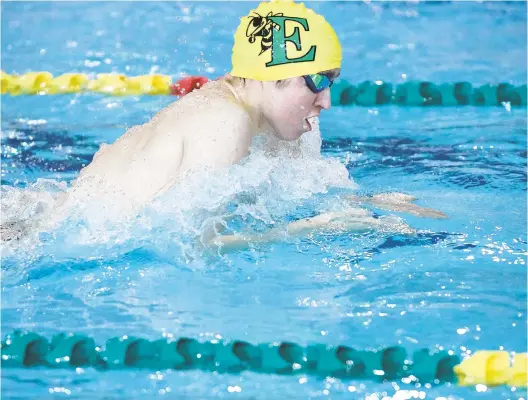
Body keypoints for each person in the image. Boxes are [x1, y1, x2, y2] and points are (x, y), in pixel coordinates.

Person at [1, 0, 446, 245]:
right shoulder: (225, 124)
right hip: (38, 237)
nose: (326, 101)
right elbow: (194, 245)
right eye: (315, 80)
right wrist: (310, 230)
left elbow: (300, 183)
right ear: (268, 75)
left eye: (331, 81)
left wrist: (369, 200)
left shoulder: (272, 117)